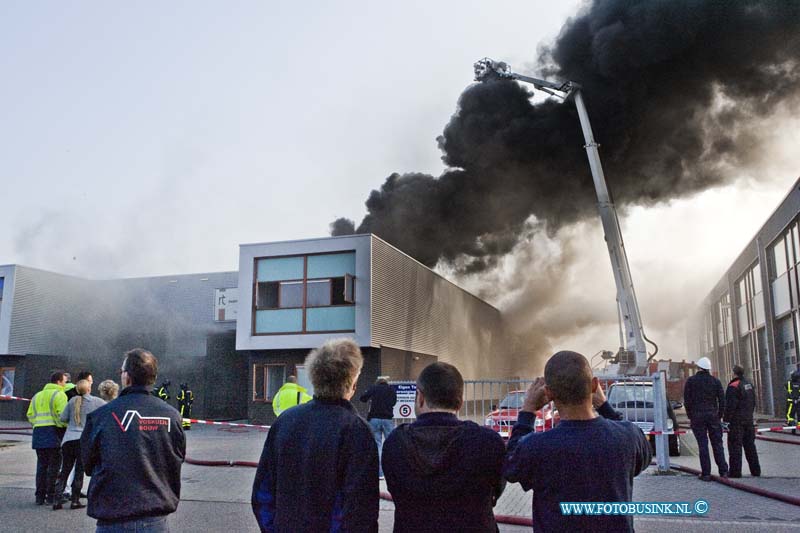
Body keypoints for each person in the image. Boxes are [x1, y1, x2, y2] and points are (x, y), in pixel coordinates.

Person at [504, 351, 651, 533]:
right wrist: (605, 407)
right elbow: (644, 453)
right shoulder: (628, 436)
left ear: (548, 394)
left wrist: (527, 411)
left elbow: (511, 467)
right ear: (594, 385)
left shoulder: (537, 447)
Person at [252, 338, 378, 532]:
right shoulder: (356, 431)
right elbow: (360, 509)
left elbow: (263, 493)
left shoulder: (284, 422)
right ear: (352, 383)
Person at [382, 362, 505, 532]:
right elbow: (496, 488)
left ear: (420, 397)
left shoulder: (394, 443)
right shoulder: (488, 442)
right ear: (460, 401)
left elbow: (394, 488)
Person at [81, 349, 186, 532]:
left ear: (127, 377)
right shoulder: (172, 416)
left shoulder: (101, 417)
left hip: (112, 519)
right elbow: (177, 459)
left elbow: (88, 464)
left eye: (121, 371)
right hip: (155, 520)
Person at [53, 378, 105, 510]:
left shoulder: (71, 401)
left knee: (65, 470)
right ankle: (75, 501)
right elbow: (108, 410)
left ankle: (57, 500)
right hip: (83, 440)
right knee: (79, 470)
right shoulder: (96, 402)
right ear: (88, 389)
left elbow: (63, 418)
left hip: (68, 440)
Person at [27, 371, 69, 505]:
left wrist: (37, 424)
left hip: (39, 433)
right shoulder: (59, 394)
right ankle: (51, 496)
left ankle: (39, 497)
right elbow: (62, 416)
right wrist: (61, 426)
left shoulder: (37, 395)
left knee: (41, 466)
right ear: (58, 381)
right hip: (53, 433)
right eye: (64, 381)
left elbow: (30, 414)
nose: (65, 384)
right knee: (54, 467)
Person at [684, 356, 729, 480]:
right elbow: (722, 400)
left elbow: (687, 401)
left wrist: (690, 416)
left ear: (698, 367)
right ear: (708, 368)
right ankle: (724, 471)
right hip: (713, 416)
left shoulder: (691, 381)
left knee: (703, 445)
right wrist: (719, 415)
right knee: (717, 444)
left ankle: (706, 473)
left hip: (697, 417)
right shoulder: (715, 381)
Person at [724, 365, 761, 478]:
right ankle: (756, 471)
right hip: (748, 420)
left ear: (734, 373)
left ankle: (735, 472)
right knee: (750, 446)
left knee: (735, 447)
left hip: (737, 422)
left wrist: (726, 420)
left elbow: (730, 406)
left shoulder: (733, 386)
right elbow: (754, 401)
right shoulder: (748, 384)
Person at [359, 376, 397, 479]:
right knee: (390, 444)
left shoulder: (374, 388)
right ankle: (392, 471)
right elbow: (394, 402)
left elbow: (362, 398)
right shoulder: (391, 390)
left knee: (377, 445)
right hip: (388, 419)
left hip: (374, 419)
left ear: (378, 382)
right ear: (386, 382)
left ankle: (380, 473)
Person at [787, 364, 800, 434]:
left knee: (791, 415)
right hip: (796, 401)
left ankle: (793, 427)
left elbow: (788, 391)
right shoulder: (798, 383)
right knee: (797, 415)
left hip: (792, 402)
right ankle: (795, 427)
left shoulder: (789, 383)